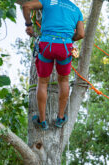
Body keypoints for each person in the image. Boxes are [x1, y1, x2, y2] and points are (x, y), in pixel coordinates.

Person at [22, 0, 85, 130]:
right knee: (63, 80)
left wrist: (29, 24)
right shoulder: (76, 9)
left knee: (43, 82)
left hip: (46, 45)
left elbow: (26, 6)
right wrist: (68, 39)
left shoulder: (48, 1)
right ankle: (60, 118)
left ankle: (42, 121)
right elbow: (81, 34)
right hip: (65, 47)